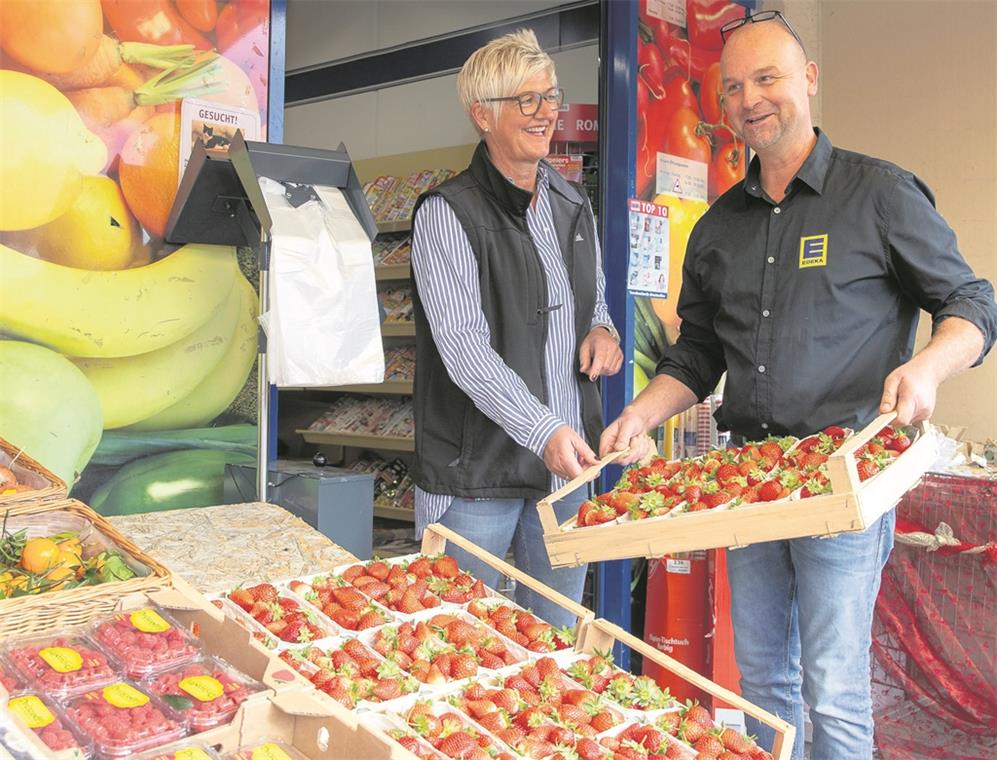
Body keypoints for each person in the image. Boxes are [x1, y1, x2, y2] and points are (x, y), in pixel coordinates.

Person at [601, 10, 996, 760]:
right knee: (761, 684)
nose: (750, 100)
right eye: (733, 88)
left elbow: (973, 302)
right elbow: (695, 353)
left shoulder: (877, 194)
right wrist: (640, 414)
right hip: (748, 484)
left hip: (843, 481)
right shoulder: (718, 226)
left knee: (834, 688)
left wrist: (926, 365)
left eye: (768, 78)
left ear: (808, 80)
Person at [410, 29, 623, 628]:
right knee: (452, 645)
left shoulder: (572, 201)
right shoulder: (446, 214)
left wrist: (603, 331)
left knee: (553, 643)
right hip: (475, 475)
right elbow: (464, 351)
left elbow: (594, 300)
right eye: (525, 100)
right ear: (483, 114)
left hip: (564, 472)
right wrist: (543, 430)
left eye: (550, 97)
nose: (545, 113)